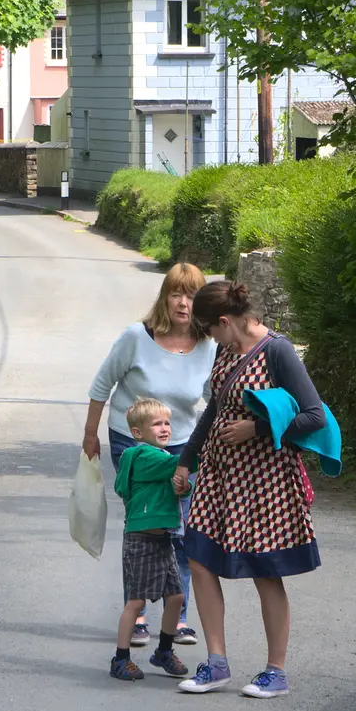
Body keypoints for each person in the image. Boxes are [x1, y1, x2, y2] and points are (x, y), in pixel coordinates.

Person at [172, 280, 325, 699]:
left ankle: (276, 672)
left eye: (210, 330)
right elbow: (214, 411)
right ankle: (216, 663)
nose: (210, 339)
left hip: (265, 480)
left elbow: (314, 416)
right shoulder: (226, 350)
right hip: (219, 478)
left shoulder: (278, 351)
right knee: (200, 558)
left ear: (224, 321)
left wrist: (256, 428)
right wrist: (188, 459)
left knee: (265, 571)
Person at [84, 262, 216, 646]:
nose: (183, 302)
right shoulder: (136, 337)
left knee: (182, 530)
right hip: (134, 442)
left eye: (191, 294)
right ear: (165, 297)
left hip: (183, 445)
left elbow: (213, 398)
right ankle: (137, 611)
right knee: (145, 529)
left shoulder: (208, 346)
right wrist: (90, 434)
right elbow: (102, 384)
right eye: (176, 293)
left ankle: (179, 618)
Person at [109, 398, 191, 682]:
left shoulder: (159, 458)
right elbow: (178, 464)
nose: (165, 428)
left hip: (161, 539)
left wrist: (183, 485)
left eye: (167, 422)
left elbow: (176, 485)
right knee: (135, 601)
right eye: (157, 424)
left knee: (176, 596)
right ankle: (120, 658)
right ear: (138, 433)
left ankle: (164, 651)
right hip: (141, 540)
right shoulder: (146, 456)